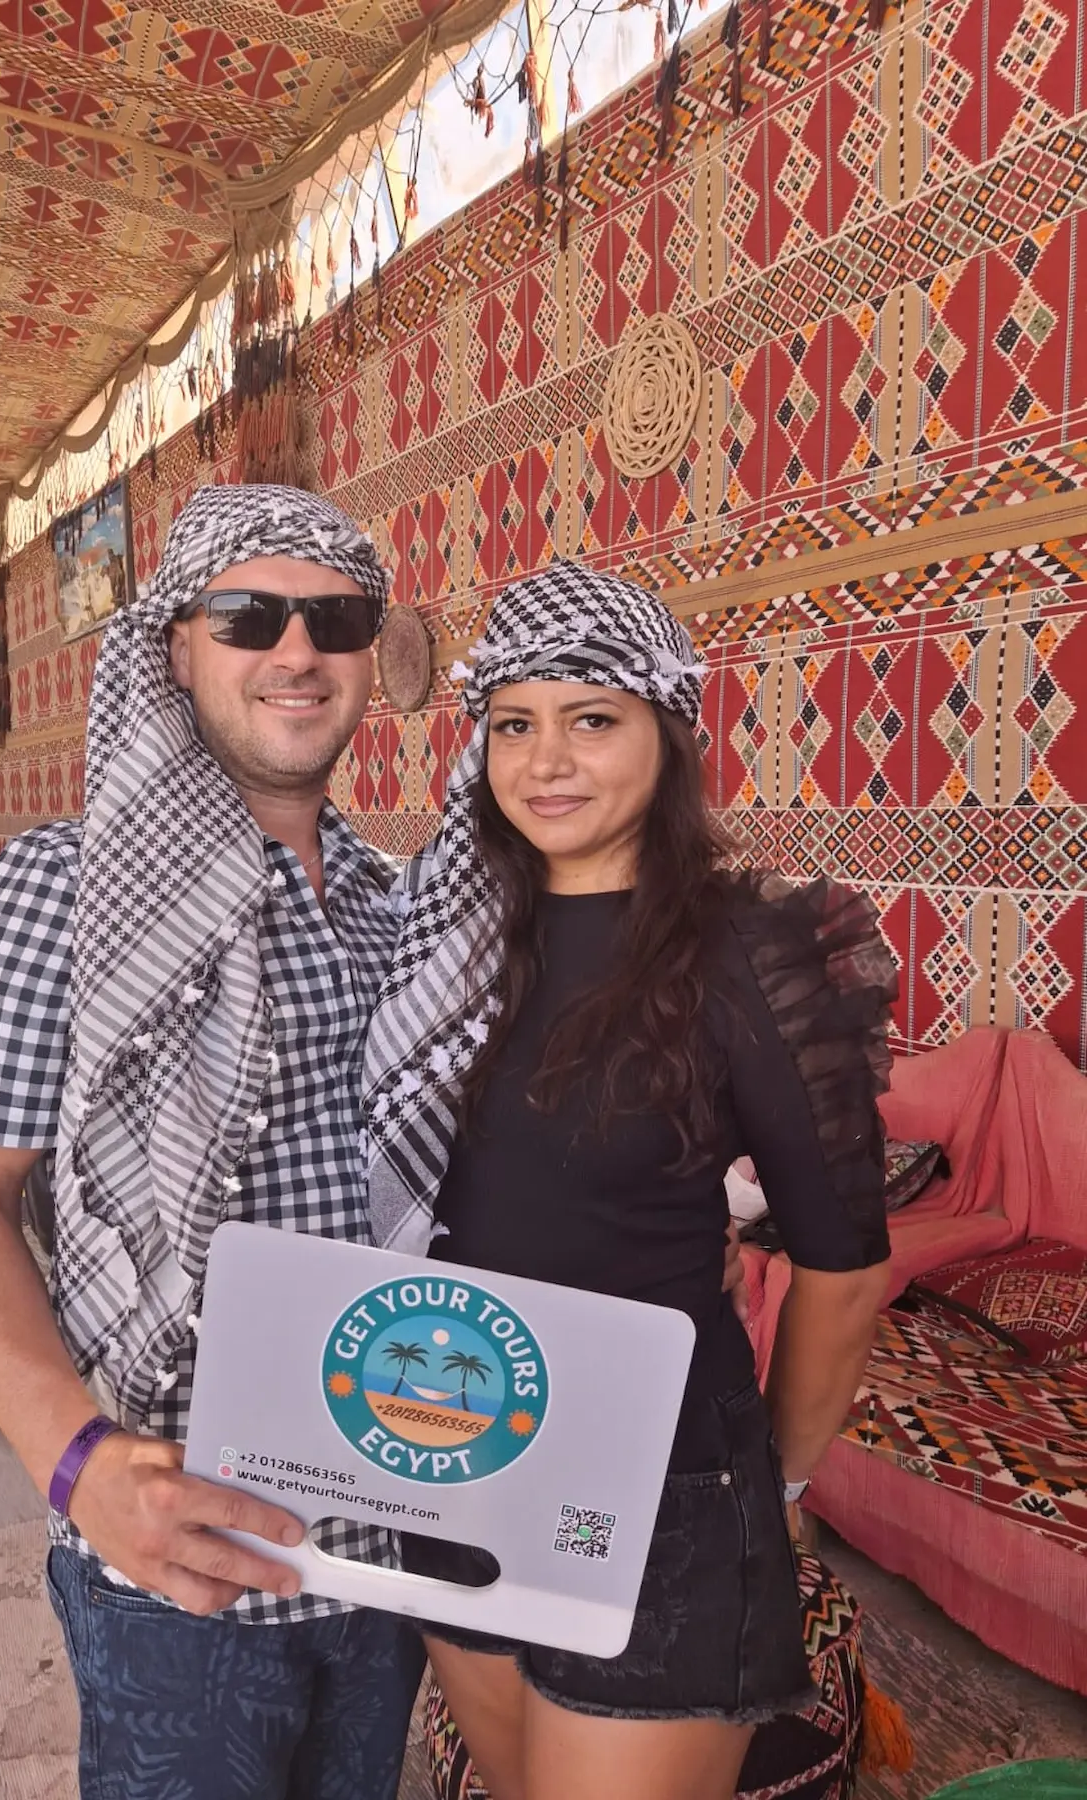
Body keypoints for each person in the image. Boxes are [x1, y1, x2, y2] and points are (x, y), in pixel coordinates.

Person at [0, 485, 426, 1800]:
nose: (297, 651)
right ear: (177, 649)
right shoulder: (61, 891)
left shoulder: (402, 908)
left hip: (390, 1552)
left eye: (336, 620)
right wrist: (75, 1462)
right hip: (177, 1578)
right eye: (248, 617)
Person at [362, 563, 898, 1800]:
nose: (545, 760)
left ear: (669, 734)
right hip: (453, 1446)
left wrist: (772, 1484)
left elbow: (844, 1271)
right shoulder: (446, 943)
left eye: (591, 719)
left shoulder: (746, 951)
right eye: (513, 724)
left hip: (663, 1490)